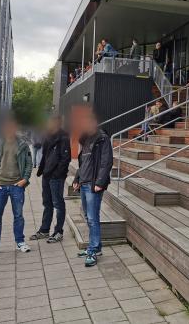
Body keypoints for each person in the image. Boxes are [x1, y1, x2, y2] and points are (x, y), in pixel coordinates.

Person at [0, 115, 32, 257]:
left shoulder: (23, 145)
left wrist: (25, 179)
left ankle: (20, 242)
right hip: (0, 187)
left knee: (18, 215)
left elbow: (29, 164)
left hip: (17, 185)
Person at [72, 107, 113, 267]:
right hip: (84, 183)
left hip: (94, 184)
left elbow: (106, 162)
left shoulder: (102, 139)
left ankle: (93, 250)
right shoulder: (86, 140)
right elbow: (83, 163)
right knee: (88, 217)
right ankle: (95, 247)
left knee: (93, 218)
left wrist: (100, 183)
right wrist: (77, 178)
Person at [30, 116, 71, 243]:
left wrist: (57, 174)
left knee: (58, 204)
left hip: (56, 178)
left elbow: (66, 159)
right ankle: (44, 230)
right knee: (47, 203)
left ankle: (58, 232)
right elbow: (45, 156)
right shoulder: (48, 137)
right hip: (46, 176)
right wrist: (41, 171)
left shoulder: (63, 138)